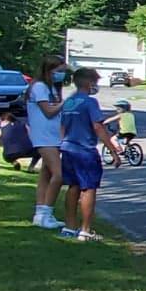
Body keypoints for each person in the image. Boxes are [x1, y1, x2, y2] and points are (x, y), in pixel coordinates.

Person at [56, 68, 123, 242]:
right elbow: (98, 127)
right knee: (89, 188)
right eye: (95, 82)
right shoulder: (90, 102)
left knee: (73, 187)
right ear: (88, 83)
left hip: (68, 148)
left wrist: (61, 145)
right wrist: (113, 150)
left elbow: (62, 127)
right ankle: (85, 230)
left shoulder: (69, 102)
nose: (96, 86)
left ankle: (69, 226)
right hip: (85, 150)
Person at [26, 53, 68, 228]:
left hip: (53, 136)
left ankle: (40, 212)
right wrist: (66, 103)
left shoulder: (51, 88)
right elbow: (48, 112)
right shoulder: (39, 87)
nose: (62, 74)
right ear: (49, 70)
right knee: (59, 175)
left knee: (46, 174)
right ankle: (47, 212)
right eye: (59, 71)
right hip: (43, 137)